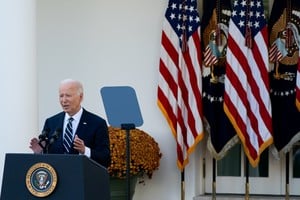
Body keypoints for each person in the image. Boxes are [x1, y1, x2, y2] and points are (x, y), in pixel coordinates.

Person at [30, 79, 110, 168]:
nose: (64, 100)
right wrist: (40, 152)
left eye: (68, 95)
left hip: (83, 178)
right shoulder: (51, 122)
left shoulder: (97, 123)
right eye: (61, 96)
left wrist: (85, 151)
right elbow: (48, 157)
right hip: (57, 178)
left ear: (81, 97)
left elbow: (105, 159)